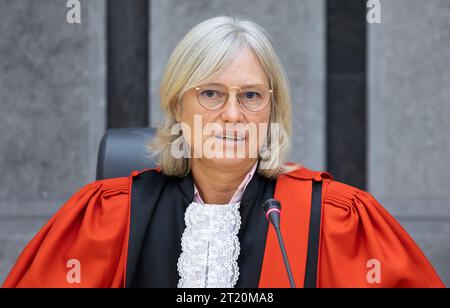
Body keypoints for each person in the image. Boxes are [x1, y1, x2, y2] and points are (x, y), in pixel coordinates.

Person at [3, 16, 444, 288]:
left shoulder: (336, 221)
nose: (232, 115)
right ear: (178, 105)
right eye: (211, 93)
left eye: (252, 96)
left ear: (272, 111)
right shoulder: (107, 218)